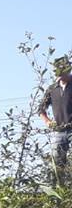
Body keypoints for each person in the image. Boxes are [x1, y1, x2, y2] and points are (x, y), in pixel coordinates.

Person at [38, 55, 72, 186]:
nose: (62, 74)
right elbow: (41, 109)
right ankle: (60, 193)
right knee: (57, 166)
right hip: (58, 132)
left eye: (64, 71)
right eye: (59, 71)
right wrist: (47, 121)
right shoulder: (52, 89)